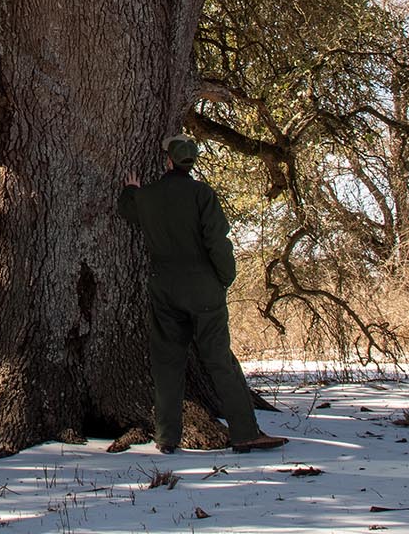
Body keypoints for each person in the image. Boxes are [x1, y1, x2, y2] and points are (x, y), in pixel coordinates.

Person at [118, 133, 287, 454]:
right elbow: (218, 242)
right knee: (219, 361)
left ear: (168, 160)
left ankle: (167, 437)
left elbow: (126, 210)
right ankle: (244, 432)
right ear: (190, 162)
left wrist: (131, 190)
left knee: (167, 363)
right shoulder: (202, 194)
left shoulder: (148, 197)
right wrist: (224, 278)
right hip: (203, 287)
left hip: (164, 286)